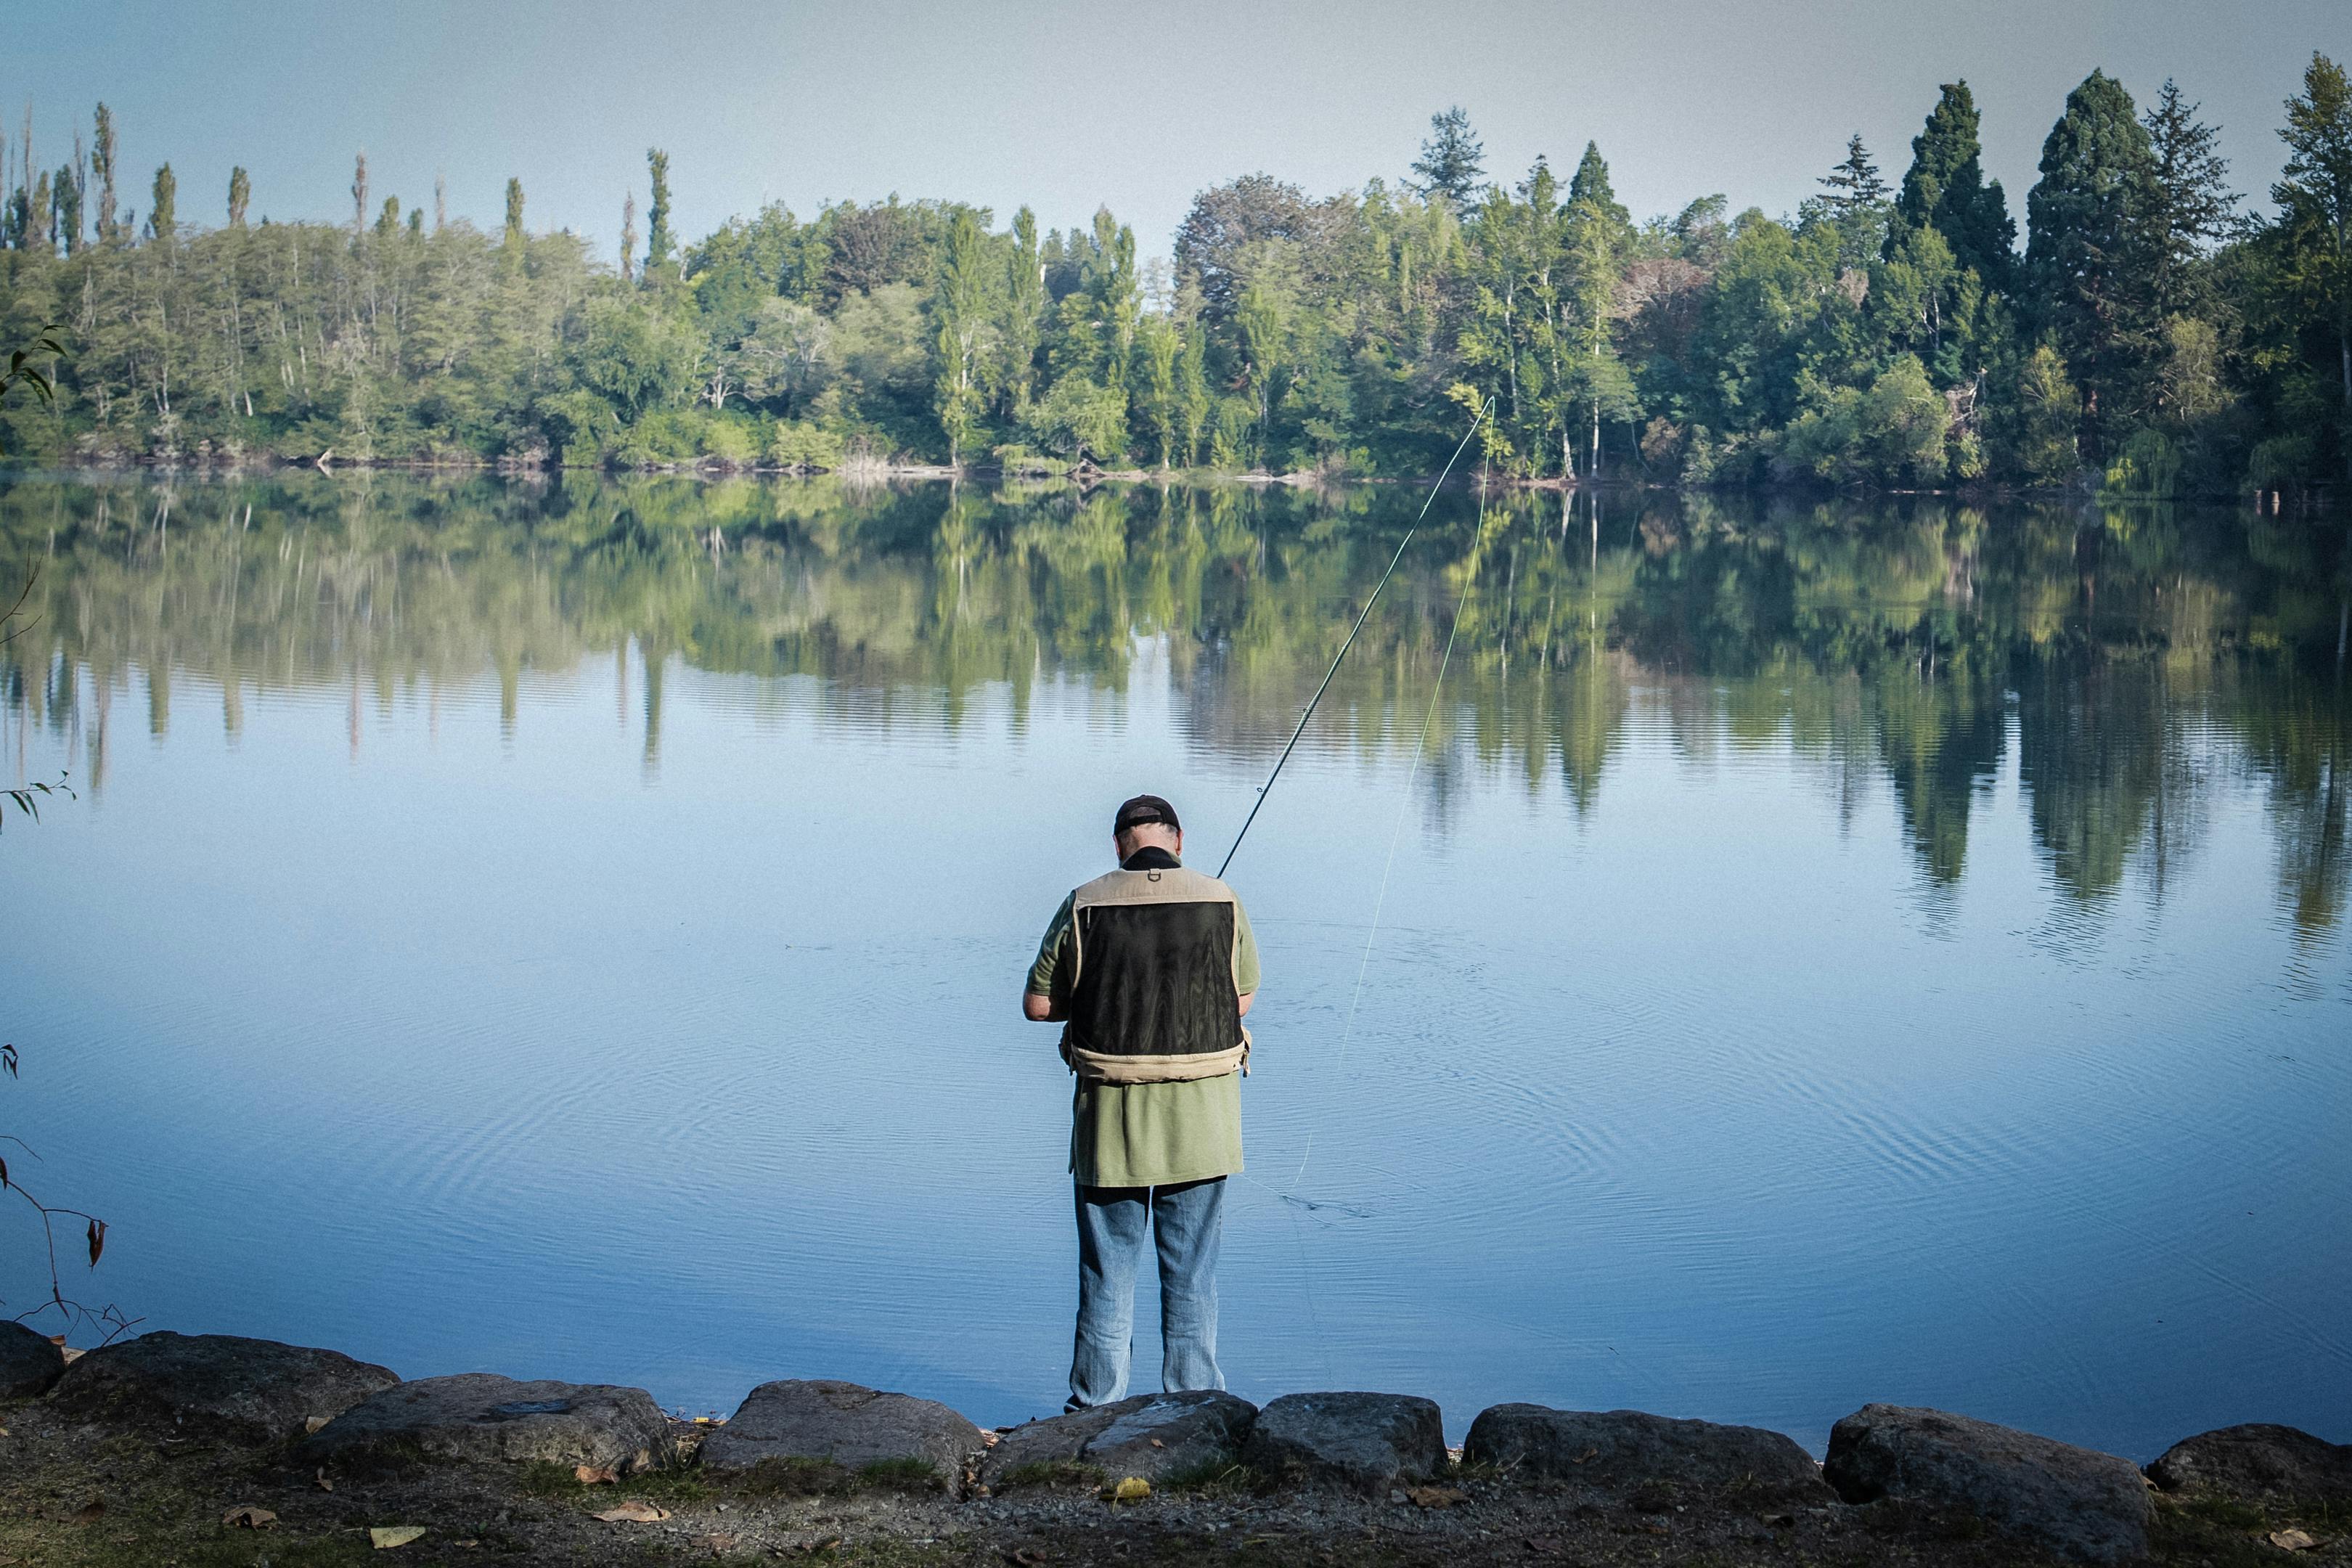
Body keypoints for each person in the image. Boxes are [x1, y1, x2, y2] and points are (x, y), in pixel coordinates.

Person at [1021, 793, 1260, 1410]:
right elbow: (1241, 1001)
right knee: (1192, 1277)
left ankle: (1092, 1413)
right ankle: (1197, 1413)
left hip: (1110, 1124)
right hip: (1203, 1123)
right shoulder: (1222, 898)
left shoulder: (1085, 902)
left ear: (1118, 844)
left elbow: (1039, 1006)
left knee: (1107, 1275)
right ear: (1177, 841)